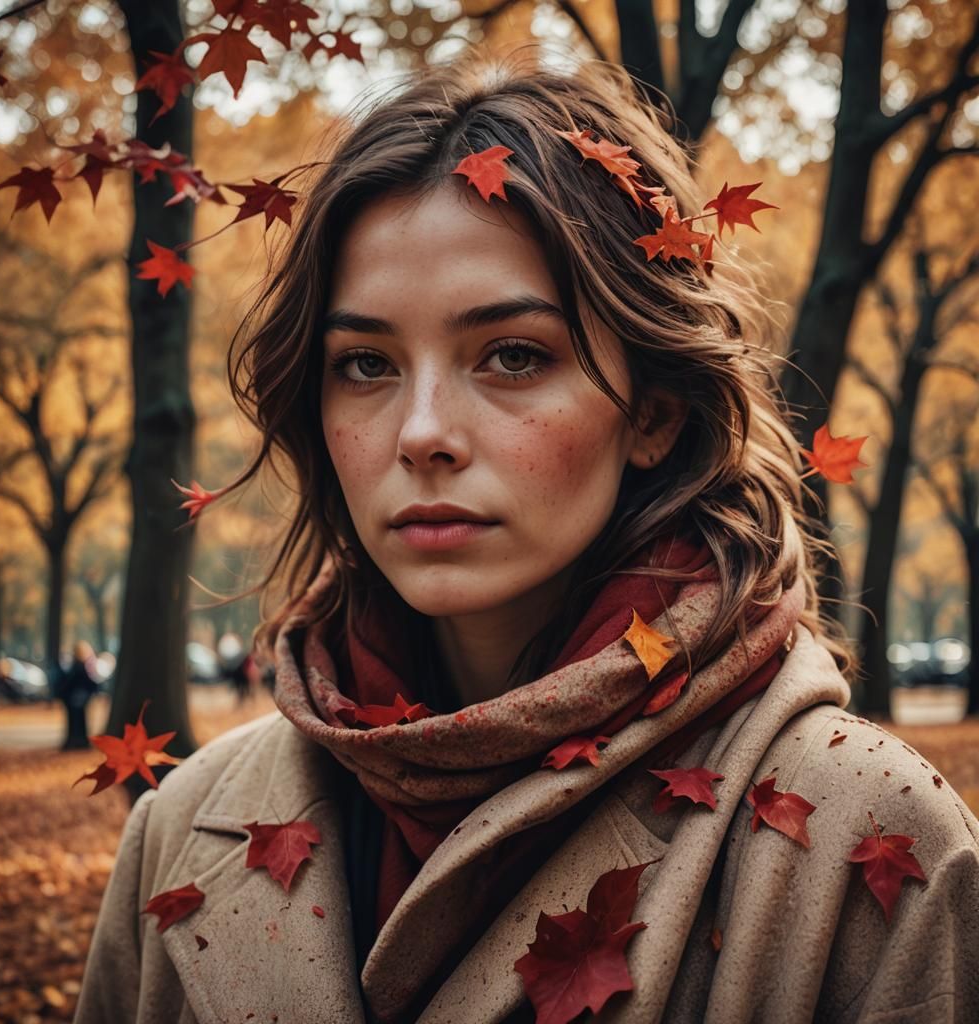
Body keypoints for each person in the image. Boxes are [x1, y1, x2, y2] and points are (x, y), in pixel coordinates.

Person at [75, 51, 979, 1024]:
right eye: (367, 363)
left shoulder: (869, 833)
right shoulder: (180, 825)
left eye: (512, 354)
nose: (421, 431)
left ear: (654, 413)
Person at [56, 641, 99, 751]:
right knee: (79, 720)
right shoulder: (81, 666)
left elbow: (72, 682)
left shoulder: (78, 666)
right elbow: (91, 683)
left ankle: (76, 741)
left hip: (75, 698)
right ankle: (79, 741)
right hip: (77, 697)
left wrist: (62, 692)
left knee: (75, 720)